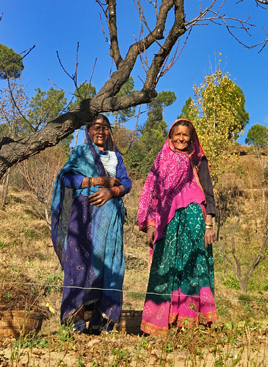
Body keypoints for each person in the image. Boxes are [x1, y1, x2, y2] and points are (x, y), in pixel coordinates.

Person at [51, 114, 132, 334]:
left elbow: (127, 182)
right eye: (96, 127)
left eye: (105, 128)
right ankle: (77, 320)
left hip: (110, 222)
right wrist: (97, 181)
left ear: (109, 132)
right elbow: (66, 179)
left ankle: (98, 320)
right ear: (88, 131)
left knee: (106, 267)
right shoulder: (80, 153)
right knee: (80, 265)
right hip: (82, 220)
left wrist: (112, 191)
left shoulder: (116, 157)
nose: (101, 131)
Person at [137, 119, 217, 334]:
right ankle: (161, 321)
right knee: (165, 267)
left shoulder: (198, 159)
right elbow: (153, 192)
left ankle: (188, 322)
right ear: (170, 136)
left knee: (192, 267)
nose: (181, 138)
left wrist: (209, 224)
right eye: (177, 134)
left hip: (193, 219)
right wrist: (151, 223)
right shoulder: (161, 159)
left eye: (185, 135)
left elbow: (208, 192)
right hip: (168, 221)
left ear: (191, 137)